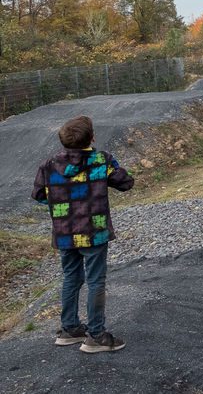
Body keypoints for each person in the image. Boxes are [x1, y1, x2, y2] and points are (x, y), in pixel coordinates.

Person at [32, 115, 134, 353]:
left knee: (71, 277)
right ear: (92, 137)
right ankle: (96, 335)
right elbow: (125, 183)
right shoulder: (101, 160)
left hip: (65, 232)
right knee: (96, 280)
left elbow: (38, 196)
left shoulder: (48, 165)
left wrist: (62, 196)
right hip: (94, 232)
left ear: (63, 141)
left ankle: (70, 329)